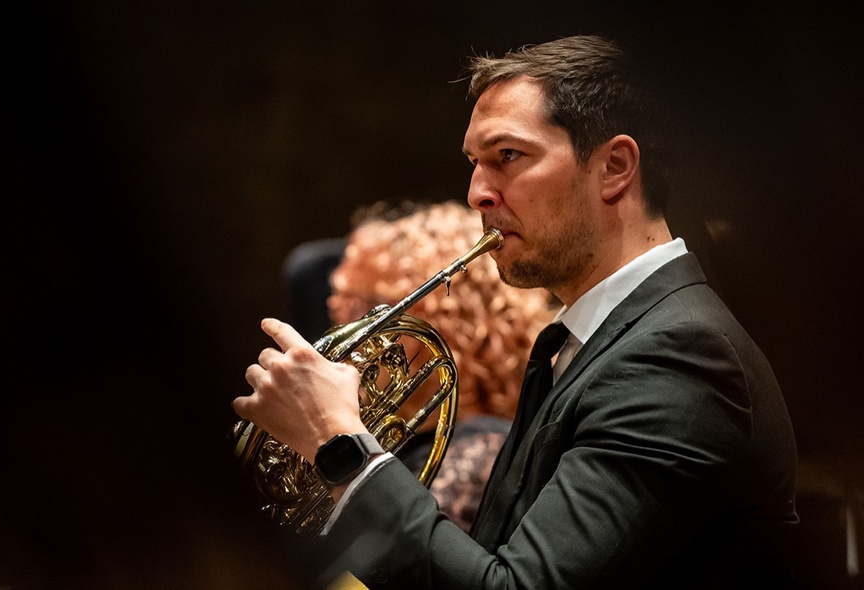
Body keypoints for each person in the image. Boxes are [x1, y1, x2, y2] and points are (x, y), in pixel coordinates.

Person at [234, 35, 798, 588]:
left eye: (507, 156)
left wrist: (339, 442)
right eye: (474, 163)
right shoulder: (589, 340)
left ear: (615, 166)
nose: (477, 192)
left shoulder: (679, 354)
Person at [326, 199, 556, 532]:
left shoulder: (482, 450)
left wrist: (327, 434)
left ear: (449, 319)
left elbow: (409, 557)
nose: (347, 332)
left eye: (370, 309)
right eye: (341, 308)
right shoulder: (406, 443)